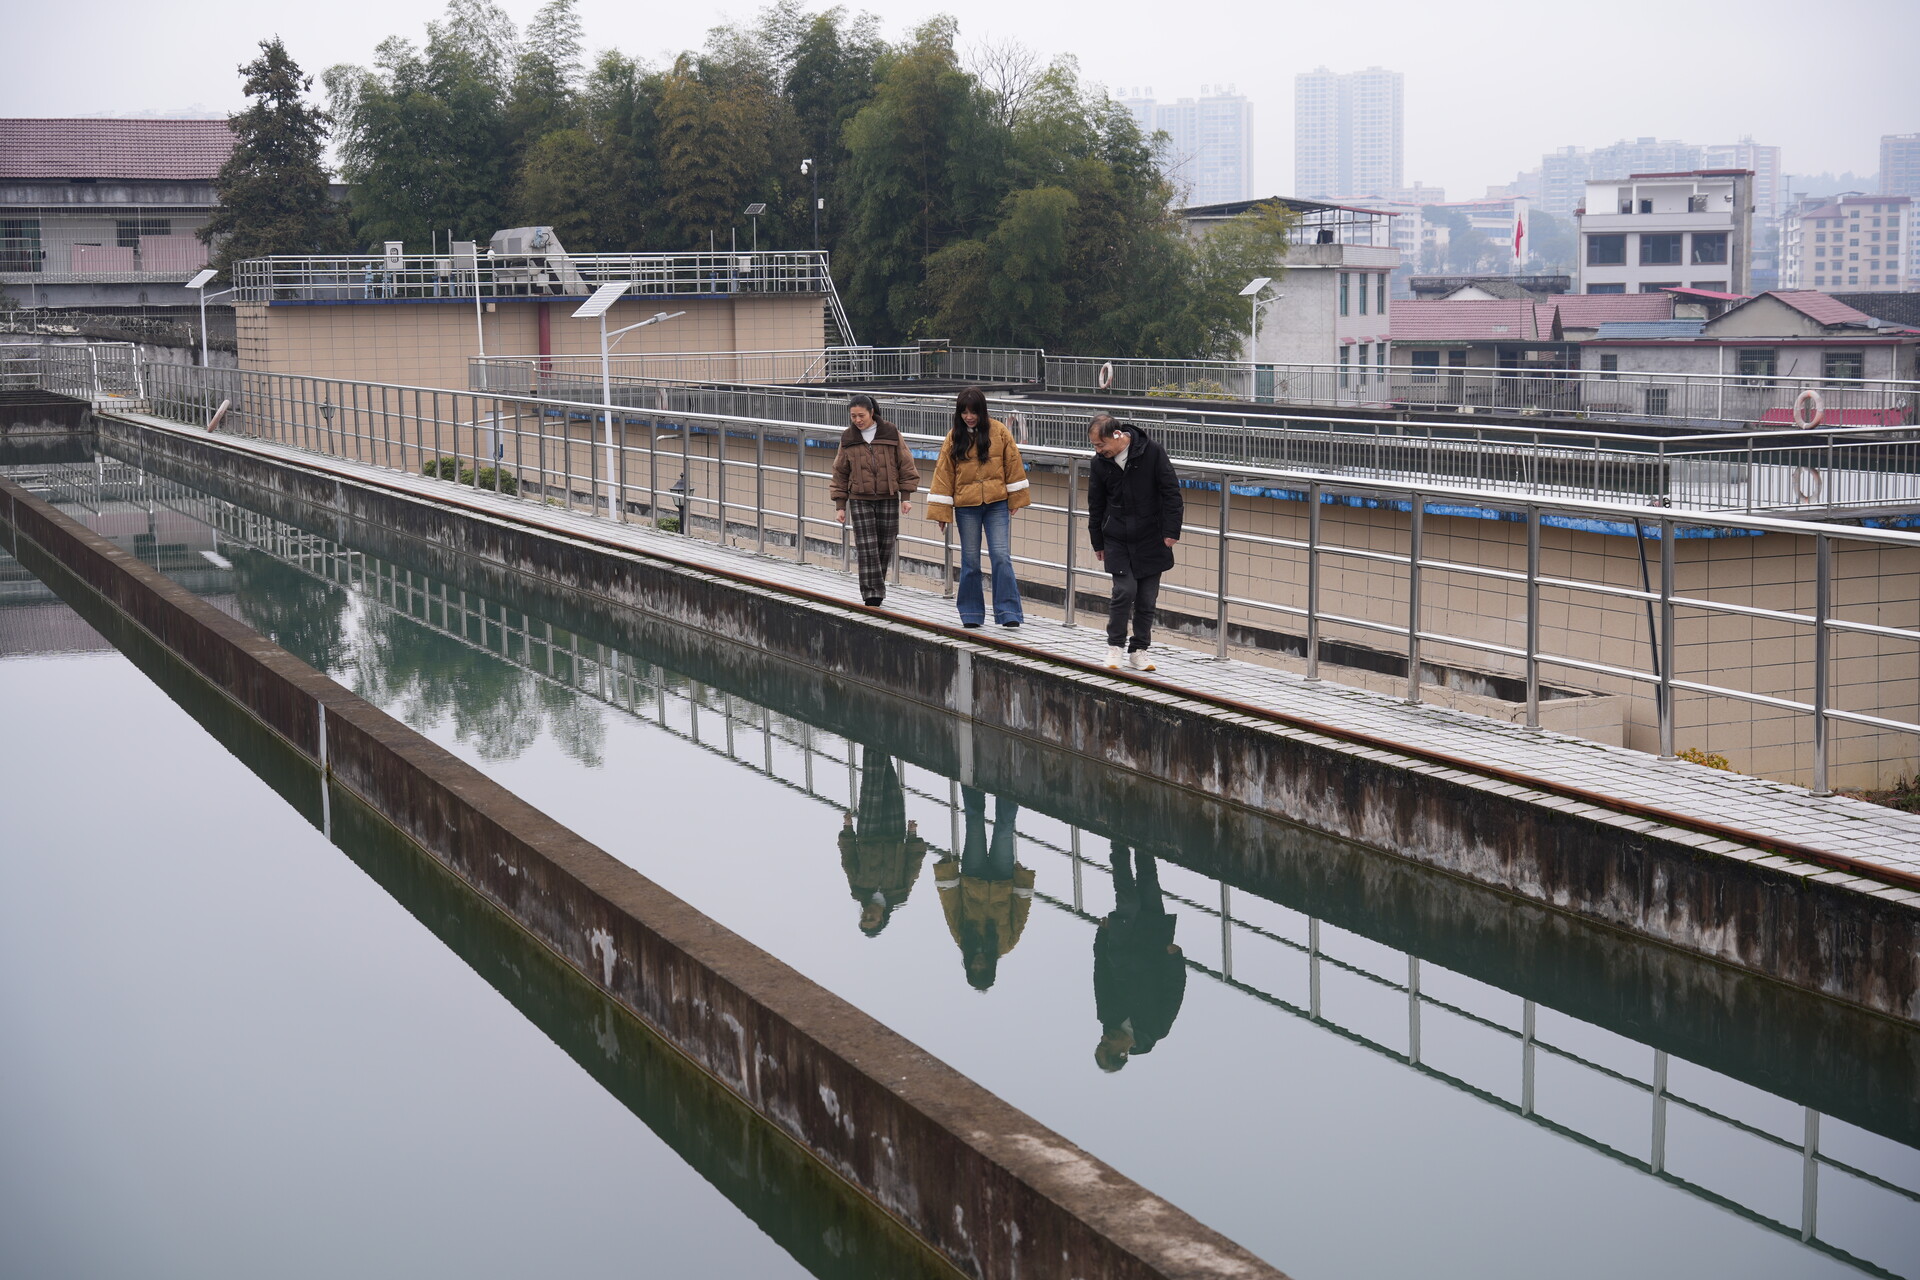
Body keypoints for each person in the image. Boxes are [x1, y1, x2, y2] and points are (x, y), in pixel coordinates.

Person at [1086, 413, 1183, 671]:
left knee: (1147, 598)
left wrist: (1171, 531)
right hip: (1116, 536)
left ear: (1117, 435)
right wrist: (1097, 541)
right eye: (1094, 446)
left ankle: (1139, 650)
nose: (1098, 450)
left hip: (1152, 535)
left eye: (1101, 444)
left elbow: (1171, 492)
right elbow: (1095, 504)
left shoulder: (1152, 452)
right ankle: (1115, 646)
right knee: (1124, 591)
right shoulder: (1099, 463)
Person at [927, 387, 1029, 628]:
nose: (969, 417)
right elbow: (943, 474)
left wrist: (1015, 498)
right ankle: (971, 614)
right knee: (970, 560)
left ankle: (1009, 612)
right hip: (966, 506)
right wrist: (942, 512)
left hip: (996, 503)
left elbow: (1013, 463)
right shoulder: (954, 436)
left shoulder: (999, 431)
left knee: (1001, 556)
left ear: (982, 411)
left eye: (973, 412)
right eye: (964, 412)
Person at [1093, 841, 1186, 1073]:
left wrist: (1102, 937)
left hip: (1122, 945)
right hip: (1154, 944)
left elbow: (1101, 975)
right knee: (1148, 882)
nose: (1103, 1038)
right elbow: (1173, 992)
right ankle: (1142, 839)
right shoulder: (1156, 1030)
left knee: (1128, 900)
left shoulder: (1106, 1015)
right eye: (1106, 1045)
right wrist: (1175, 960)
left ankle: (1118, 842)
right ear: (1122, 1053)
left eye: (1100, 1043)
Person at [933, 787, 1034, 990]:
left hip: (973, 876)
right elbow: (1020, 911)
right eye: (983, 969)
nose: (978, 965)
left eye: (974, 969)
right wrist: (1022, 879)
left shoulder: (962, 940)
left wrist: (946, 871)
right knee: (1005, 828)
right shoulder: (1006, 943)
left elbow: (951, 906)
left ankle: (970, 781)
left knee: (974, 822)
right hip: (1003, 879)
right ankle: (1008, 785)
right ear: (990, 968)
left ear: (969, 967)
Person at [830, 393, 919, 607]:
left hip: (888, 496)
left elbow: (905, 463)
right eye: (853, 416)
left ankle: (876, 587)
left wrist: (905, 497)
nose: (857, 420)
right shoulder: (848, 437)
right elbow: (840, 471)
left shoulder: (890, 432)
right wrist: (840, 505)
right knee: (866, 546)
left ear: (871, 413)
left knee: (884, 545)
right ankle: (872, 594)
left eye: (861, 415)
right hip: (859, 498)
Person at [838, 745, 928, 936]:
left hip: (867, 834)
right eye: (872, 919)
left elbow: (848, 859)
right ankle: (885, 742)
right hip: (895, 834)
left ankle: (871, 742)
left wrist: (848, 828)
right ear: (882, 919)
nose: (868, 915)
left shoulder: (858, 890)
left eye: (864, 918)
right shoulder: (899, 894)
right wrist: (912, 835)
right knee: (890, 781)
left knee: (871, 782)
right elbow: (913, 865)